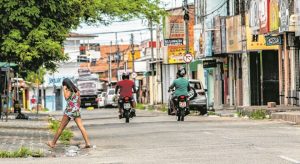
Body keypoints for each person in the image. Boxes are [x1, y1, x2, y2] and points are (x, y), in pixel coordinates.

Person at [47, 78, 91, 148]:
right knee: (81, 127)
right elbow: (79, 101)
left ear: (65, 84)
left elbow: (66, 97)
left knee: (61, 128)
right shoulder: (77, 90)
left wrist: (64, 89)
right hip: (76, 110)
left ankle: (53, 143)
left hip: (69, 111)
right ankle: (87, 143)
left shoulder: (68, 90)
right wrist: (77, 108)